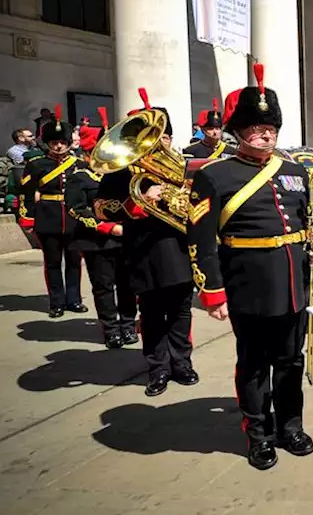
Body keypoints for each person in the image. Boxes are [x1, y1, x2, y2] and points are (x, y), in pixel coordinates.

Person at [188, 65, 313, 471]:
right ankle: (258, 432)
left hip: (294, 283)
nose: (266, 133)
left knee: (291, 361)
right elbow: (201, 239)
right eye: (256, 126)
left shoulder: (295, 171)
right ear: (238, 130)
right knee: (255, 364)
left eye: (270, 126)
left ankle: (289, 426)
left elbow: (306, 221)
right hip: (249, 284)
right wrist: (212, 291)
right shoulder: (215, 175)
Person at [96, 88, 197, 397]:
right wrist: (138, 202)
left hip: (179, 248)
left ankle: (182, 363)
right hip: (143, 250)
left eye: (165, 136)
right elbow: (101, 207)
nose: (160, 142)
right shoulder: (120, 174)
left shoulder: (183, 168)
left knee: (181, 311)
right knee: (152, 313)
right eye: (156, 137)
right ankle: (158, 368)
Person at [66, 108, 135, 349]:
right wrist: (106, 227)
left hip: (124, 237)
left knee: (127, 284)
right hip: (95, 240)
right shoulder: (79, 177)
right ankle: (110, 329)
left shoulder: (122, 175)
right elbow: (76, 209)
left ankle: (128, 325)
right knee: (103, 286)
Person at [18, 106, 85, 318]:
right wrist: (27, 219)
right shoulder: (37, 164)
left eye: (62, 142)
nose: (58, 146)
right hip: (48, 218)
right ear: (48, 143)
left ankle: (74, 299)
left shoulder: (78, 164)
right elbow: (27, 193)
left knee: (74, 262)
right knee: (53, 263)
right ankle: (56, 302)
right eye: (55, 143)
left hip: (74, 219)